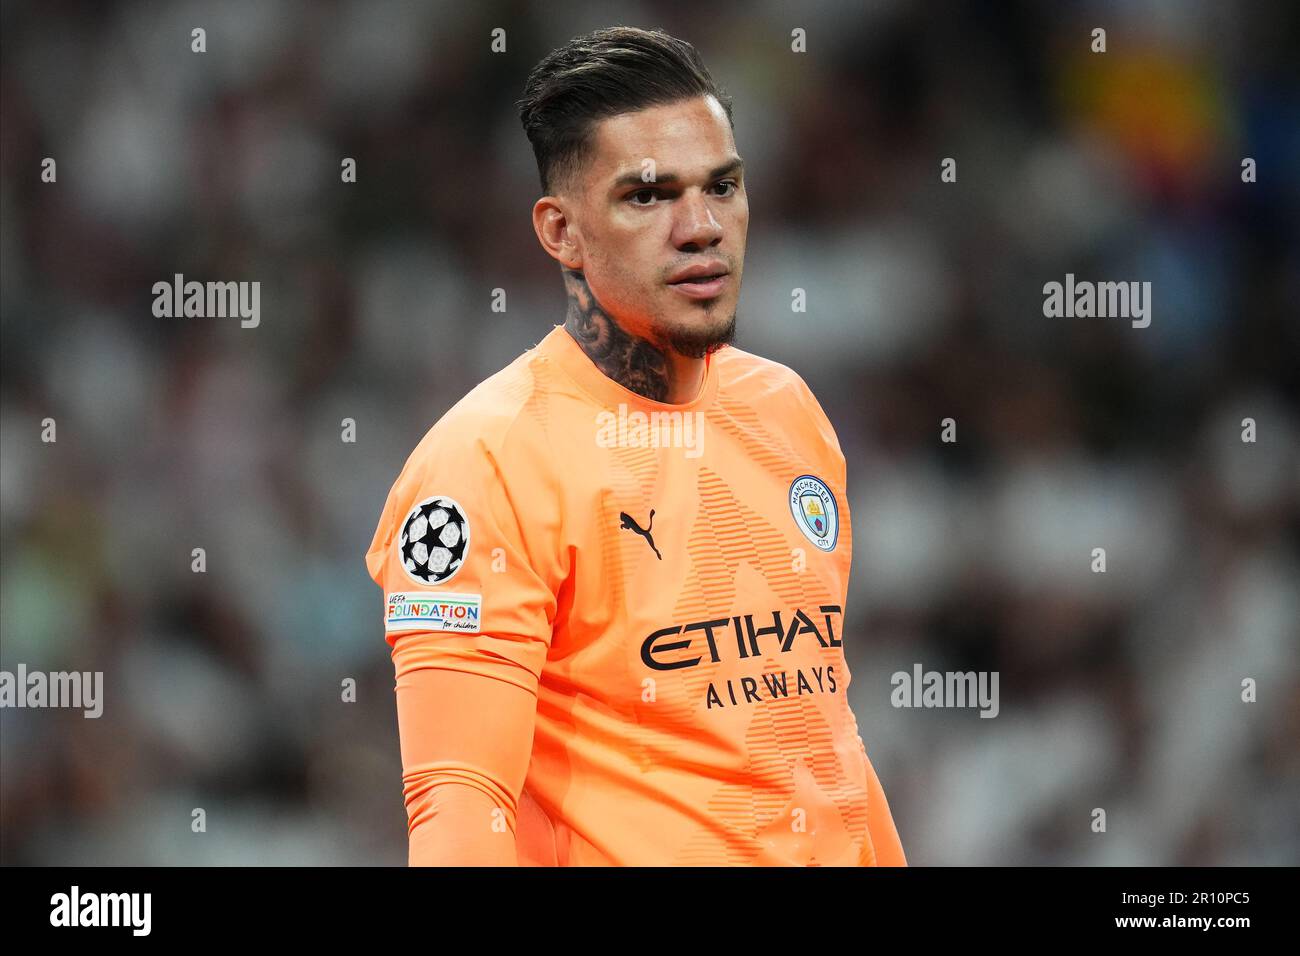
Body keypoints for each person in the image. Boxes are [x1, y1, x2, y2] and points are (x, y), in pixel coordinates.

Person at [365, 25, 906, 866]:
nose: (701, 227)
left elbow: (822, 732)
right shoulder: (489, 462)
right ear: (560, 232)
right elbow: (461, 802)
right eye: (647, 196)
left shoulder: (786, 411)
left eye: (722, 187)